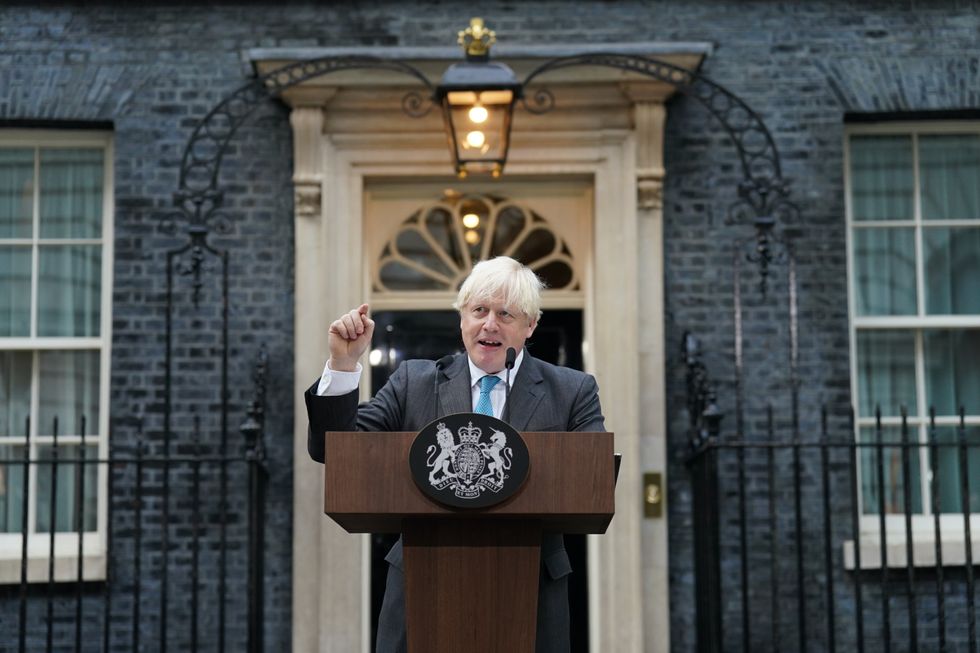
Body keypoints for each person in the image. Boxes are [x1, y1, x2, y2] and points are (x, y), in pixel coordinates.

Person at [305, 256, 605, 653]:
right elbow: (335, 448)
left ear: (531, 325)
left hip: (530, 592)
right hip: (423, 586)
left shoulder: (572, 390)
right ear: (462, 318)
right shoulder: (414, 382)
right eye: (479, 310)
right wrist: (343, 365)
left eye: (506, 314)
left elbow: (592, 479)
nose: (490, 324)